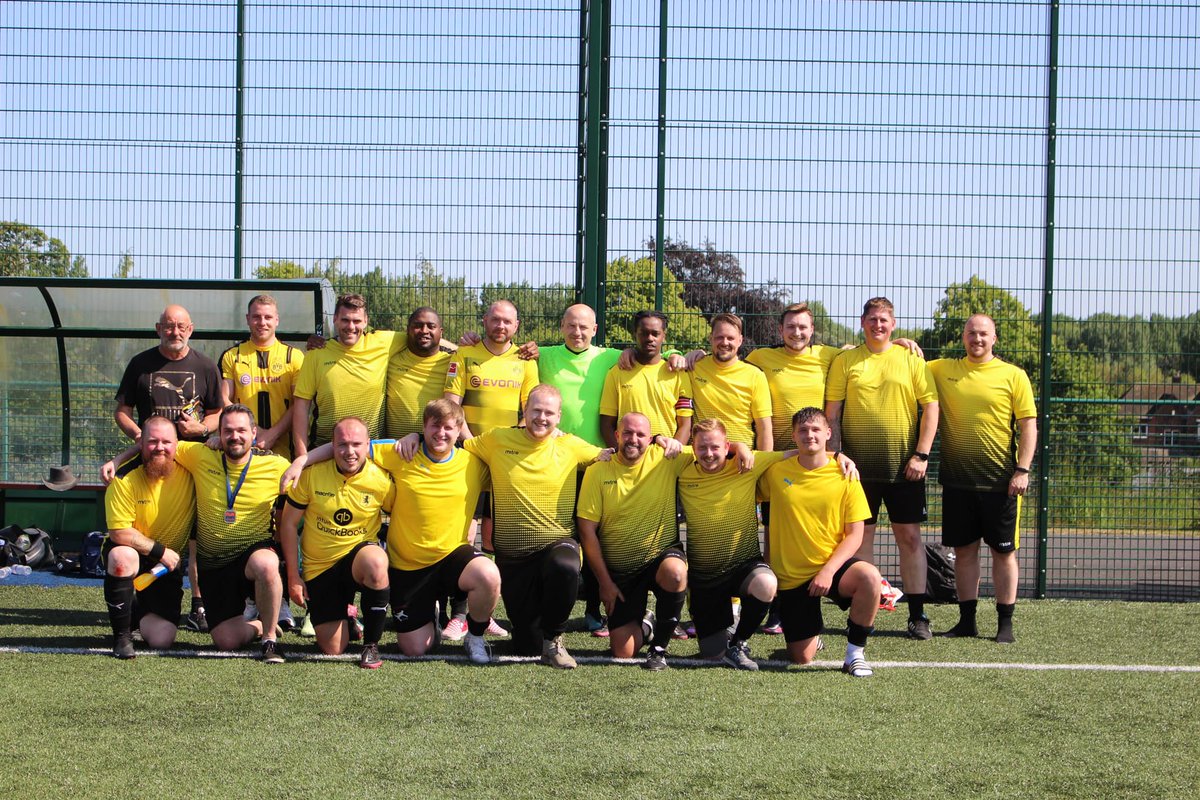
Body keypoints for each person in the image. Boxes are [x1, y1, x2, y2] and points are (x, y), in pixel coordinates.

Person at [397, 385, 609, 668]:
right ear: (525, 412)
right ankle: (535, 639)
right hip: (513, 557)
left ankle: (554, 641)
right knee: (525, 646)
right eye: (536, 410)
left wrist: (661, 442)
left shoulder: (571, 445)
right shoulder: (497, 439)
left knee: (566, 566)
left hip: (556, 544)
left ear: (559, 417)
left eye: (549, 413)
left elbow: (608, 456)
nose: (541, 418)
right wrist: (415, 434)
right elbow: (459, 442)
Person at [284, 399, 502, 665]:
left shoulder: (474, 463)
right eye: (435, 426)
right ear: (424, 427)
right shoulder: (401, 451)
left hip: (451, 556)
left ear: (459, 430)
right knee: (412, 649)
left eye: (448, 427)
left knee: (488, 575)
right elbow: (348, 445)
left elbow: (511, 469)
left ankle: (476, 636)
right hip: (408, 567)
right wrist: (302, 460)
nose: (441, 433)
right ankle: (428, 616)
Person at [105, 404, 292, 662]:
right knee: (224, 641)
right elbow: (156, 443)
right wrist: (117, 460)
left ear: (253, 433)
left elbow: (308, 483)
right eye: (227, 431)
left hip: (251, 554)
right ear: (220, 434)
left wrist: (304, 459)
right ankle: (258, 625)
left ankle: (269, 639)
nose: (234, 436)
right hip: (211, 564)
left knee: (267, 562)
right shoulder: (197, 455)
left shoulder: (277, 464)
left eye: (240, 430)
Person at [825, 297, 939, 640]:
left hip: (906, 468)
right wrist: (837, 455)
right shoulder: (846, 360)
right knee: (861, 540)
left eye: (884, 320)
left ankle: (918, 615)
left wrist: (921, 455)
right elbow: (832, 413)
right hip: (857, 470)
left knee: (910, 538)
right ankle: (864, 614)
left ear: (893, 324)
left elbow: (930, 409)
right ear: (862, 322)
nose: (878, 325)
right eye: (872, 319)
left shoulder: (911, 360)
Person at [929, 314, 1037, 643]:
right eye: (971, 333)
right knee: (964, 553)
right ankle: (966, 622)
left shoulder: (1014, 376)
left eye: (983, 334)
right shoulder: (943, 370)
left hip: (1001, 484)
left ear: (995, 339)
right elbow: (905, 360)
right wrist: (902, 344)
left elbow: (1028, 426)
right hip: (958, 482)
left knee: (1003, 553)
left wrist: (1022, 469)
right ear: (963, 337)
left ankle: (1005, 624)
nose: (977, 339)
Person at [114, 303, 221, 632]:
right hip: (151, 460)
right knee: (144, 527)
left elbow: (219, 413)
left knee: (196, 538)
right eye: (169, 326)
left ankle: (198, 605)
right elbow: (122, 410)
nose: (175, 332)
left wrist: (201, 429)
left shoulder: (204, 365)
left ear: (191, 329)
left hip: (190, 462)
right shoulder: (140, 363)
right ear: (158, 328)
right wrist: (140, 437)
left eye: (181, 327)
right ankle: (134, 597)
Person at [759, 407, 883, 677]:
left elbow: (855, 535)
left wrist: (827, 570)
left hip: (833, 566)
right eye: (802, 430)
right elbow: (747, 470)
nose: (809, 435)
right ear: (793, 436)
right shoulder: (776, 472)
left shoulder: (846, 475)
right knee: (801, 658)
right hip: (792, 577)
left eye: (816, 429)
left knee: (870, 578)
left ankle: (854, 655)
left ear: (828, 433)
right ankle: (813, 638)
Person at [577, 412, 700, 671]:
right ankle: (649, 624)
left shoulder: (666, 458)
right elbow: (587, 532)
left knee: (676, 573)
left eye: (641, 434)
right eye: (628, 433)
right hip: (621, 570)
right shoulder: (598, 471)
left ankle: (659, 649)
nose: (634, 439)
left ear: (651, 438)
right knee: (623, 652)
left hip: (660, 557)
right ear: (617, 435)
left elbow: (713, 448)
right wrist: (605, 583)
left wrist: (740, 447)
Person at [676, 419, 792, 670]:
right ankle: (722, 638)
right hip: (705, 577)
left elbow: (798, 453)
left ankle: (738, 642)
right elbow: (657, 448)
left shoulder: (748, 463)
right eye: (702, 448)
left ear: (726, 446)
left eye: (715, 447)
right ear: (692, 448)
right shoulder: (682, 466)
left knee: (766, 584)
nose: (709, 454)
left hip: (744, 564)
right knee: (712, 655)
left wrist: (837, 456)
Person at [278, 417, 394, 668]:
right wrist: (293, 577)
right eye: (342, 445)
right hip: (320, 567)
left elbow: (401, 519)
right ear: (332, 446)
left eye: (356, 444)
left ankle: (371, 646)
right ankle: (348, 618)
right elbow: (287, 525)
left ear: (368, 445)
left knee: (376, 561)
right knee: (332, 648)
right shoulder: (311, 475)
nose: (349, 452)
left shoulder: (382, 479)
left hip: (358, 560)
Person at [102, 416, 196, 659]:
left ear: (178, 444)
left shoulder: (191, 466)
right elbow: (119, 532)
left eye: (166, 441)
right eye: (152, 441)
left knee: (162, 640)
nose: (160, 447)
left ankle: (134, 608)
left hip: (166, 566)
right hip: (140, 552)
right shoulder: (122, 477)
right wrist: (161, 551)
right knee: (122, 557)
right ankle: (122, 637)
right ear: (141, 443)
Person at [292, 293, 405, 455]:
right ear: (335, 319)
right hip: (325, 449)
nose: (351, 327)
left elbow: (424, 335)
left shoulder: (383, 343)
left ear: (366, 321)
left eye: (357, 321)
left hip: (370, 449)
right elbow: (302, 405)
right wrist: (302, 457)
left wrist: (455, 349)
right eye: (345, 320)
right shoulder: (317, 354)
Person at [219, 294, 303, 459]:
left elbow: (299, 404)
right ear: (248, 319)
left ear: (277, 320)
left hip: (284, 450)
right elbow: (225, 400)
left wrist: (272, 434)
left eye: (268, 317)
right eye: (256, 317)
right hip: (243, 446)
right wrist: (251, 431)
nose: (262, 322)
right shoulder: (232, 356)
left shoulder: (294, 357)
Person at [598, 310, 694, 448]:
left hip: (664, 458)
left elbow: (685, 424)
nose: (650, 338)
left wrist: (673, 452)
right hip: (629, 456)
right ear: (635, 335)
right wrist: (620, 455)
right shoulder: (617, 372)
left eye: (655, 334)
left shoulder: (678, 373)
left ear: (664, 336)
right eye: (644, 333)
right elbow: (606, 424)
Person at [689, 313, 773, 450]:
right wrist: (677, 355)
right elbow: (667, 360)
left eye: (730, 338)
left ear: (740, 340)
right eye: (719, 337)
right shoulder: (694, 367)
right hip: (705, 454)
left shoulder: (755, 375)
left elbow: (764, 429)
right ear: (711, 338)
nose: (725, 342)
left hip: (742, 460)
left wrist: (764, 465)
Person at [385, 306, 452, 440]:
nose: (424, 331)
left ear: (441, 331)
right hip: (395, 447)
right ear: (408, 330)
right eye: (418, 326)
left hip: (435, 446)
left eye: (431, 326)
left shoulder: (452, 363)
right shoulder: (390, 360)